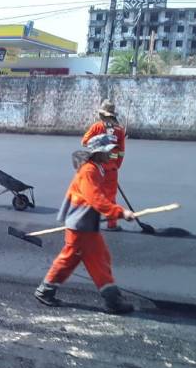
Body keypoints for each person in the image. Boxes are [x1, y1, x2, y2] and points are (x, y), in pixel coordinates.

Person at [34, 135, 136, 315]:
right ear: (98, 153)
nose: (111, 153)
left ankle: (46, 290)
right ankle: (113, 300)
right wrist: (120, 212)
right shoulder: (89, 171)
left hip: (84, 223)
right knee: (96, 260)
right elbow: (95, 199)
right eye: (108, 151)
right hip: (80, 226)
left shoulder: (95, 168)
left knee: (86, 258)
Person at [82, 100, 126, 230]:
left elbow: (84, 142)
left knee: (92, 194)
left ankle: (87, 221)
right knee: (110, 197)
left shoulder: (97, 127)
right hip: (111, 169)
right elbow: (121, 152)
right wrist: (116, 165)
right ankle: (112, 224)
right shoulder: (119, 130)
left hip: (96, 168)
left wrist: (98, 144)